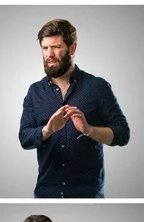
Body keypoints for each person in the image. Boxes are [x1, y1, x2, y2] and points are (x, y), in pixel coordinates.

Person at [19, 19, 130, 198]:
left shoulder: (97, 87)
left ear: (72, 48)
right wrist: (48, 130)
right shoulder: (35, 92)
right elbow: (24, 138)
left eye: (56, 47)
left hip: (87, 195)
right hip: (46, 194)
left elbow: (123, 134)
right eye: (45, 48)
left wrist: (89, 130)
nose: (49, 54)